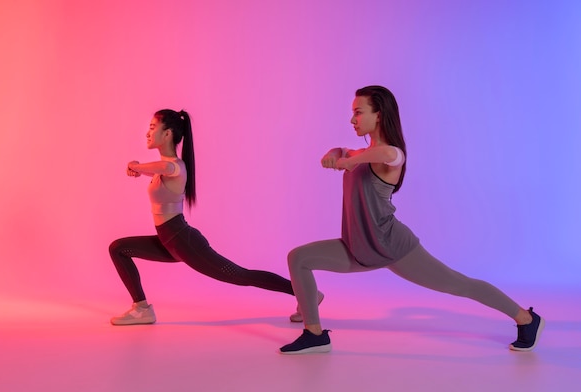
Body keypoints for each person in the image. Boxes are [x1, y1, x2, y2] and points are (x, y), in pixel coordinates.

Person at [279, 86, 544, 354]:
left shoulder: (389, 157)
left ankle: (527, 319)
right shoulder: (359, 154)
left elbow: (391, 155)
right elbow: (343, 150)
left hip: (393, 246)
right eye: (353, 113)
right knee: (299, 258)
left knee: (458, 284)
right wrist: (336, 152)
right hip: (358, 247)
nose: (352, 120)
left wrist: (350, 160)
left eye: (358, 112)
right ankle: (313, 331)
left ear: (379, 115)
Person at [109, 109, 309, 325]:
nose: (147, 133)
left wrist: (135, 166)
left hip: (183, 242)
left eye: (152, 127)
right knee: (118, 248)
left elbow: (165, 167)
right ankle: (141, 309)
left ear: (167, 134)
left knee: (240, 276)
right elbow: (156, 169)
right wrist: (139, 168)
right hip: (168, 242)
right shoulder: (161, 169)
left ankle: (306, 294)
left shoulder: (175, 167)